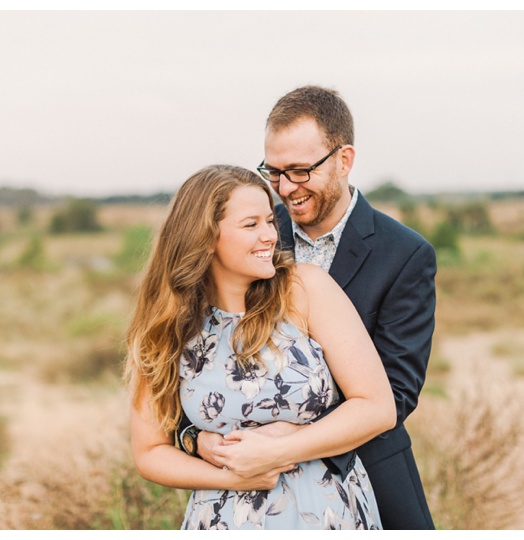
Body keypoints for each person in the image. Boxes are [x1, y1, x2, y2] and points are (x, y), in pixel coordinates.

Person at [191, 86, 438, 530]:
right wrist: (196, 439)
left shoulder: (405, 254)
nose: (285, 188)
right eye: (274, 171)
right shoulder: (249, 237)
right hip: (249, 487)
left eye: (301, 170)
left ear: (344, 160)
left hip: (368, 476)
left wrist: (286, 440)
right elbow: (205, 358)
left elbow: (396, 392)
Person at [125, 164, 396, 529]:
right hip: (224, 520)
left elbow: (377, 407)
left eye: (270, 221)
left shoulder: (304, 290)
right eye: (251, 225)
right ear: (205, 237)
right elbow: (149, 453)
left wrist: (278, 450)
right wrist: (230, 477)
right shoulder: (169, 324)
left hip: (324, 512)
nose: (270, 235)